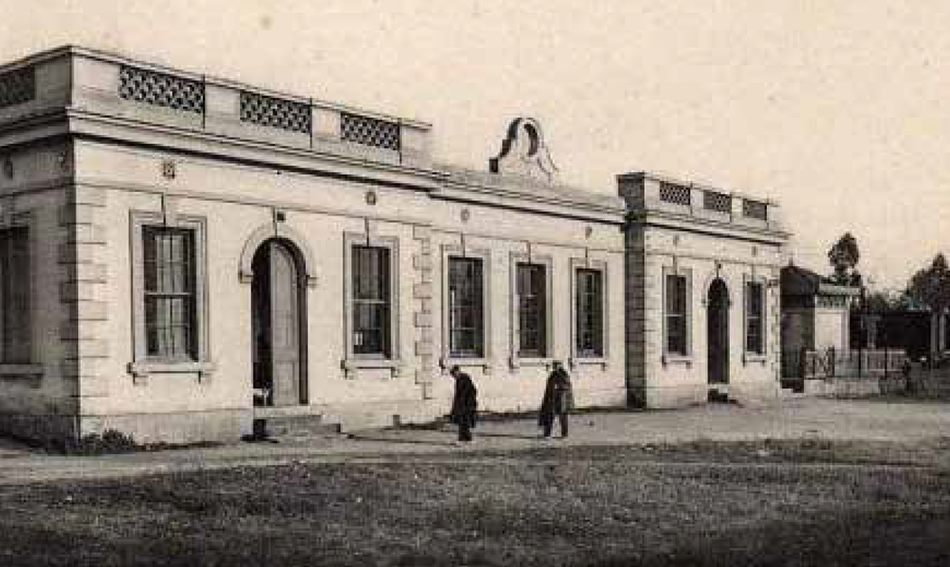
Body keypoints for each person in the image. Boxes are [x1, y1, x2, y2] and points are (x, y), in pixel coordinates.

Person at [539, 360, 573, 439]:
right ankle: (547, 434)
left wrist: (558, 387)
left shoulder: (564, 374)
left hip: (561, 399)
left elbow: (567, 386)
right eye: (554, 365)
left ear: (560, 365)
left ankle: (564, 435)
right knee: (549, 416)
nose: (554, 367)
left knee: (563, 417)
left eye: (556, 365)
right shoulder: (553, 374)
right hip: (552, 399)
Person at [449, 365, 478, 444]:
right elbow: (459, 394)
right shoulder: (459, 379)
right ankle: (467, 439)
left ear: (457, 371)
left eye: (454, 374)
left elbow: (471, 391)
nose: (453, 376)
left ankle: (463, 439)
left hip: (467, 404)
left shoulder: (465, 378)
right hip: (463, 404)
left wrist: (467, 403)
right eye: (452, 375)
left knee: (463, 422)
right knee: (463, 422)